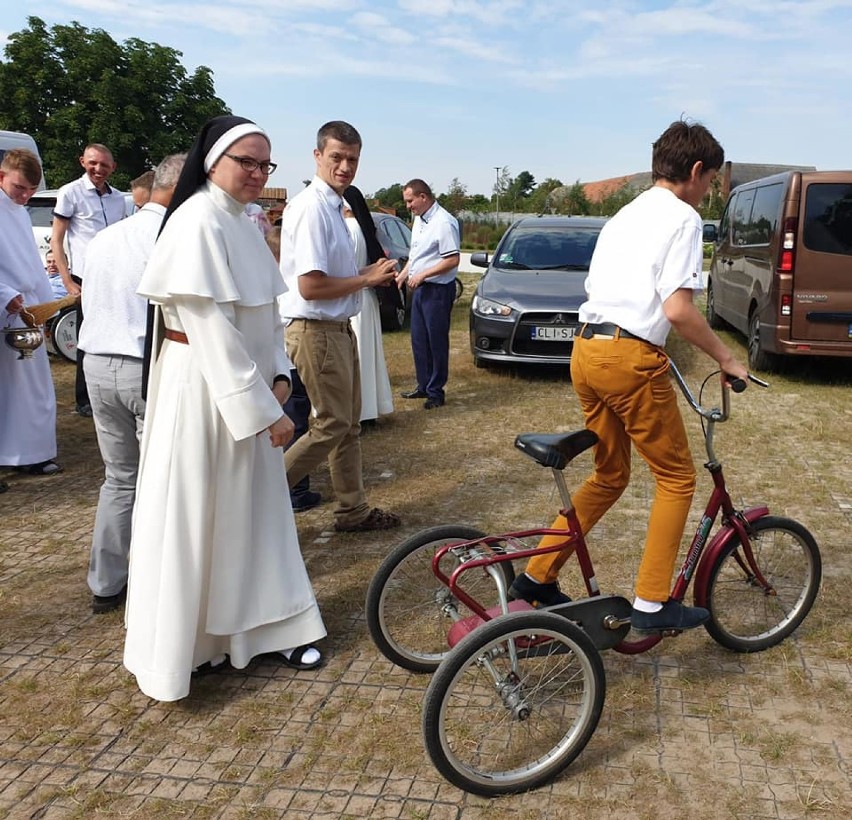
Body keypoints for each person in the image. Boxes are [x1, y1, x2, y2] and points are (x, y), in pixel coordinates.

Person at [509, 120, 749, 634]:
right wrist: (726, 359)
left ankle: (535, 578)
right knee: (678, 478)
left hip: (587, 351)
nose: (707, 195)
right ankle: (652, 601)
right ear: (697, 170)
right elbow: (678, 308)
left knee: (611, 474)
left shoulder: (625, 214)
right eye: (709, 183)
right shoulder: (682, 219)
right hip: (629, 359)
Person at [123, 115, 326, 702]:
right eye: (249, 162)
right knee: (197, 515)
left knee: (254, 517)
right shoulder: (194, 222)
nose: (259, 174)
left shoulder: (241, 223)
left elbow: (261, 319)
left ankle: (266, 630)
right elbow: (210, 331)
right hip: (204, 396)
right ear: (213, 163)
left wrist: (282, 378)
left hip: (249, 392)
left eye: (266, 165)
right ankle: (192, 648)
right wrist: (265, 408)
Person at [278, 120, 401, 532]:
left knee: (346, 426)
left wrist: (368, 272)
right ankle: (265, 493)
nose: (345, 166)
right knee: (331, 424)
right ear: (317, 156)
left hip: (335, 328)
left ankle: (353, 510)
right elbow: (311, 287)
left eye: (352, 159)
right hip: (315, 330)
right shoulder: (314, 208)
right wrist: (366, 280)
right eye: (337, 157)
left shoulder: (331, 205)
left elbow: (329, 276)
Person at [77, 153, 186, 615]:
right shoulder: (170, 237)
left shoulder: (105, 237)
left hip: (96, 363)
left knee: (120, 478)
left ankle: (106, 581)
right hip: (143, 365)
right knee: (161, 478)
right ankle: (157, 582)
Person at [50, 143, 125, 417]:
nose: (98, 169)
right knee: (87, 338)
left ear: (112, 168)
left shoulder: (119, 199)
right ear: (82, 161)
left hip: (115, 276)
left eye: (104, 165)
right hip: (86, 277)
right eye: (93, 163)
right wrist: (68, 281)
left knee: (114, 335)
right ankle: (84, 399)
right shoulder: (70, 192)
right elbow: (57, 240)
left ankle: (112, 392)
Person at [0, 148, 61, 477]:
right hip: (6, 309)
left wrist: (46, 300)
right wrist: (5, 295)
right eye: (19, 188)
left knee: (34, 386)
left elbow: (29, 262)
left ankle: (33, 450)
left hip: (28, 310)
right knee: (12, 389)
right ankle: (14, 452)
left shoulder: (19, 213)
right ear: (1, 177)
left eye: (31, 191)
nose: (25, 196)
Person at [265, 226, 321, 513]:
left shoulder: (265, 282)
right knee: (297, 426)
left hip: (276, 367)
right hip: (287, 367)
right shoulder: (284, 288)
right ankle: (296, 490)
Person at [395, 179, 460, 410]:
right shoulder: (419, 220)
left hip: (438, 290)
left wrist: (423, 275)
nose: (408, 206)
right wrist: (404, 274)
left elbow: (452, 260)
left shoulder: (443, 222)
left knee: (436, 341)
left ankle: (436, 392)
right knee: (419, 340)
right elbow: (417, 254)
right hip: (421, 289)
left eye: (410, 201)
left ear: (423, 197)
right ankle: (423, 385)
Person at [343, 185, 393, 424]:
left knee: (356, 359)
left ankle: (357, 412)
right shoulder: (363, 229)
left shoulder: (347, 229)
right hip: (366, 299)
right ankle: (369, 410)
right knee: (367, 357)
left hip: (352, 298)